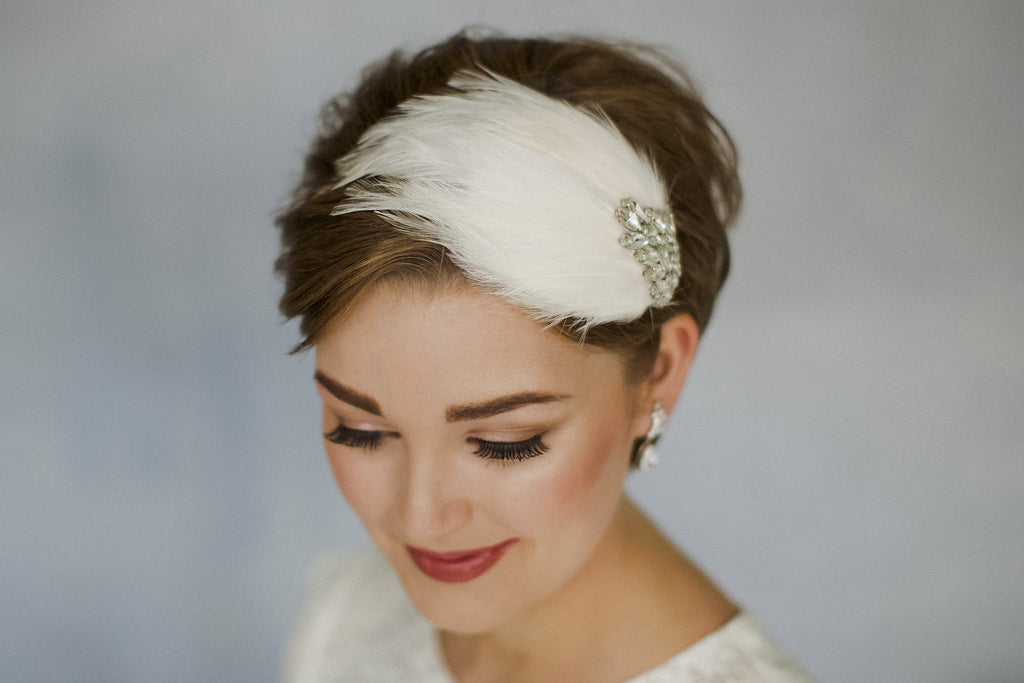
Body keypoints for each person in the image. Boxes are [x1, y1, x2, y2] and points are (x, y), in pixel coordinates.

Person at [276, 30, 814, 683]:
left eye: (506, 441)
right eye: (359, 429)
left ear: (660, 373)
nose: (421, 515)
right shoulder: (346, 619)